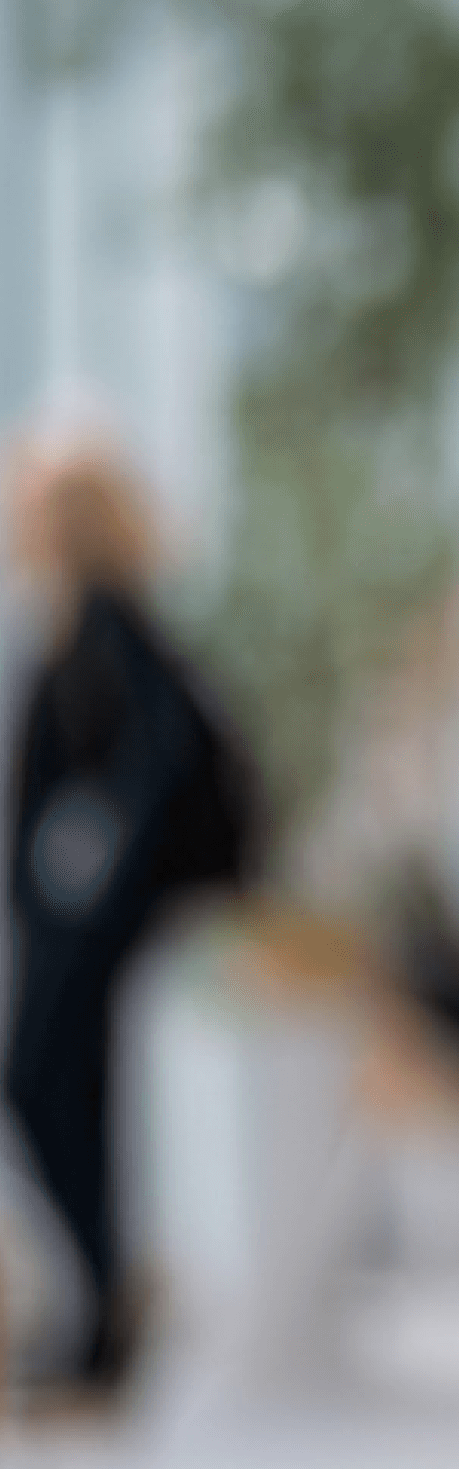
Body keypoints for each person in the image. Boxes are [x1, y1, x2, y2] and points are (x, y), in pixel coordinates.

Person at [3, 436, 259, 1400]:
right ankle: (106, 1308)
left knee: (43, 1084)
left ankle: (108, 1305)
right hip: (87, 918)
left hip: (94, 924)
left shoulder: (104, 625)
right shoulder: (98, 622)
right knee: (72, 1099)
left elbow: (149, 770)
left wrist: (90, 868)